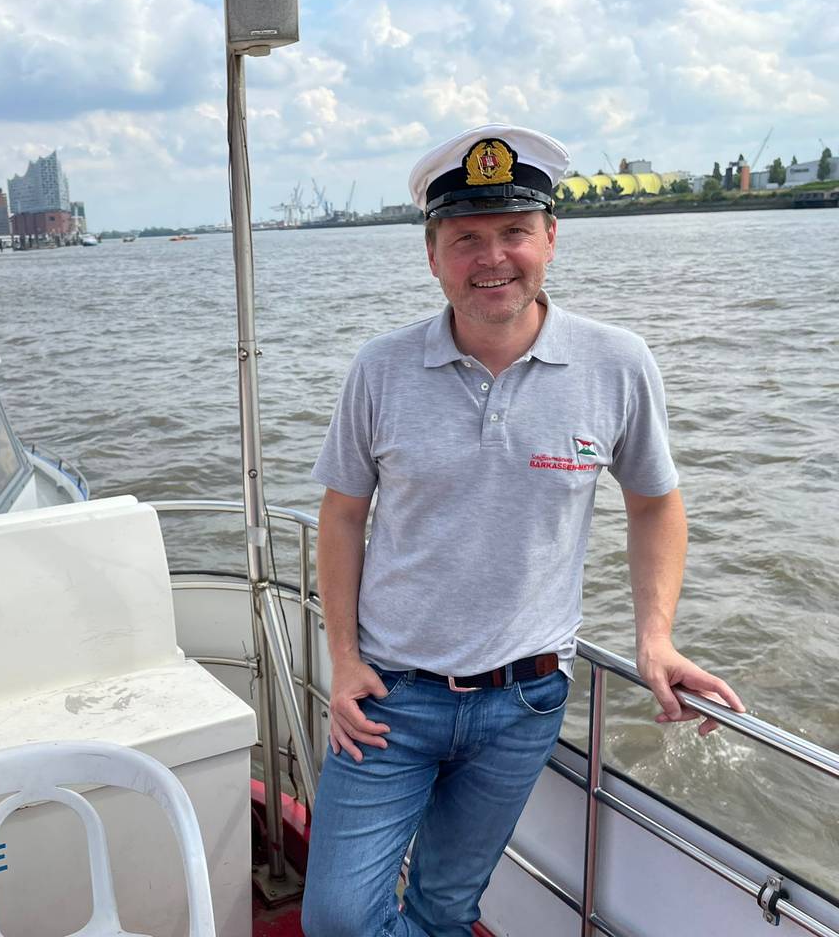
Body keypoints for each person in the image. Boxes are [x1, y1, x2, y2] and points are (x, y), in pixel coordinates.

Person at [300, 123, 746, 937]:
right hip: (387, 697)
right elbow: (343, 514)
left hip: (525, 703)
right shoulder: (380, 369)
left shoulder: (617, 363)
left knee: (445, 907)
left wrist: (655, 638)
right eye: (466, 238)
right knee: (336, 917)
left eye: (513, 231)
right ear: (432, 255)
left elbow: (654, 502)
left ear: (551, 239)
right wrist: (342, 658)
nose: (493, 258)